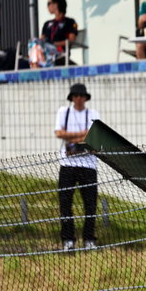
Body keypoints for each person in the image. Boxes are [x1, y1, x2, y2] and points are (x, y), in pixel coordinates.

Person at [55, 83, 100, 252]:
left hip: (88, 164)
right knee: (65, 202)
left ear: (85, 98)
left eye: (81, 96)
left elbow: (95, 136)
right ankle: (68, 239)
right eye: (75, 96)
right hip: (67, 164)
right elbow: (59, 133)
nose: (78, 99)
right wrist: (82, 135)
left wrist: (72, 137)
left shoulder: (93, 114)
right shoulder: (63, 112)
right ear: (72, 98)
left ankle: (89, 238)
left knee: (90, 203)